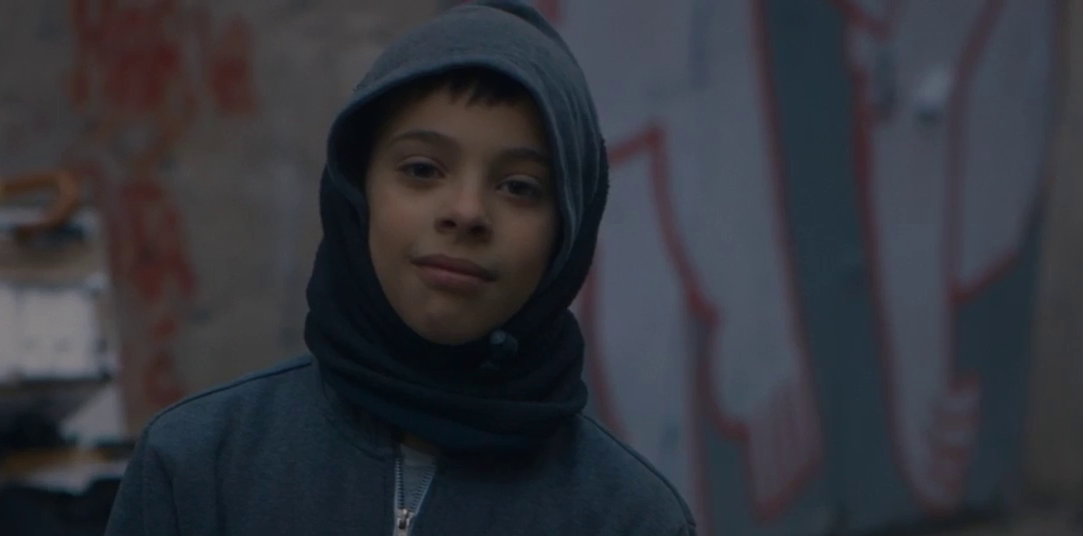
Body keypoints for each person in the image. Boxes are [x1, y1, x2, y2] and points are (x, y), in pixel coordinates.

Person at [103, 1, 696, 534]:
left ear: (566, 232)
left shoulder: (626, 518)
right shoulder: (197, 468)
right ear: (358, 193)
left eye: (519, 186)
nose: (466, 212)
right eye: (422, 170)